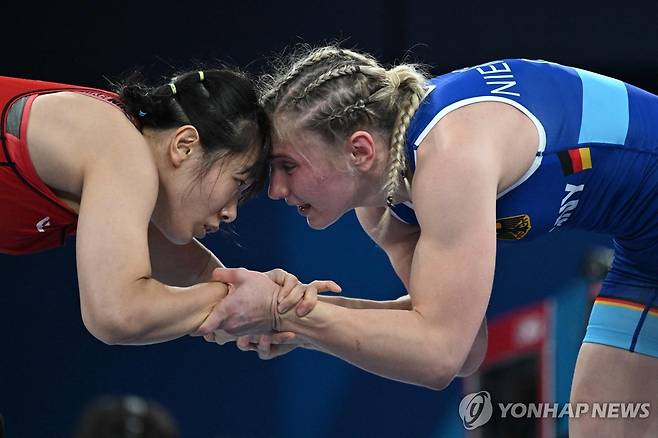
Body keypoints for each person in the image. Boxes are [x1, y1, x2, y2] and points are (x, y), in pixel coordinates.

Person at [197, 47, 658, 436]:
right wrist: (297, 324)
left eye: (287, 166)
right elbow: (460, 343)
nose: (275, 190)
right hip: (644, 256)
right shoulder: (381, 208)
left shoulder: (449, 155)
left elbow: (440, 353)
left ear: (360, 150)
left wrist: (286, 311)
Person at [0, 69, 334, 345]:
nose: (231, 212)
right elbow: (117, 315)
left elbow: (204, 280)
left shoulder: (120, 171)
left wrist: (277, 307)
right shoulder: (121, 151)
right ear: (185, 145)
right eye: (238, 183)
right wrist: (243, 299)